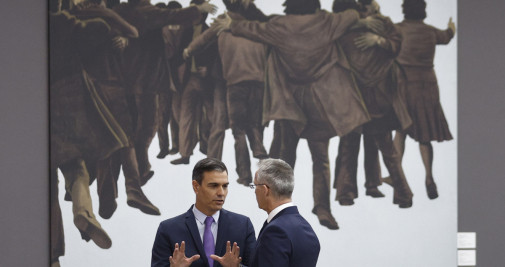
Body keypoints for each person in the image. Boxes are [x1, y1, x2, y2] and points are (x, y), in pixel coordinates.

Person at [213, 0, 380, 229]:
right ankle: (323, 208)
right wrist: (366, 12)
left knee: (284, 161)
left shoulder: (279, 26)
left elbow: (255, 27)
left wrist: (233, 22)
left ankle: (275, 207)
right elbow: (351, 15)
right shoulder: (328, 21)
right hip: (320, 104)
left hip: (290, 104)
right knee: (320, 159)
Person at [332, 0, 414, 208]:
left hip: (364, 99)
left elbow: (395, 43)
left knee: (360, 146)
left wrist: (377, 39)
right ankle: (400, 194)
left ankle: (349, 192)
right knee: (380, 149)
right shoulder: (373, 26)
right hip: (370, 99)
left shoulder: (353, 29)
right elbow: (395, 43)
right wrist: (378, 37)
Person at [184, 0, 269, 185]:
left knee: (224, 126)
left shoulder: (226, 20)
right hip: (244, 80)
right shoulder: (257, 24)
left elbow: (204, 39)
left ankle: (224, 170)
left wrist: (188, 50)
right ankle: (251, 159)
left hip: (228, 80)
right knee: (245, 125)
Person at [389, 0, 456, 199]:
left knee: (400, 132)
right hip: (427, 86)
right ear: (423, 12)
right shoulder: (431, 32)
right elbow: (446, 37)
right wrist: (452, 28)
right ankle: (429, 178)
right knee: (425, 136)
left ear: (404, 11)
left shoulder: (396, 30)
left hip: (402, 85)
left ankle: (398, 181)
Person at [151, 158, 256, 267]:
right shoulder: (168, 229)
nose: (221, 192)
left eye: (225, 186)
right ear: (196, 186)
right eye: (214, 186)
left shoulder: (243, 225)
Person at [250, 158, 320, 267]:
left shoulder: (275, 231)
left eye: (255, 186)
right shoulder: (306, 227)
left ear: (265, 190)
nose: (254, 191)